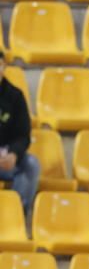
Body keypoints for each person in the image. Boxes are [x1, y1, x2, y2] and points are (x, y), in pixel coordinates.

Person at [0, 51, 40, 216]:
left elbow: (23, 134)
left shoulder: (15, 97)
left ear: (4, 66)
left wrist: (14, 154)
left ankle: (17, 215)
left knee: (31, 164)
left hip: (5, 158)